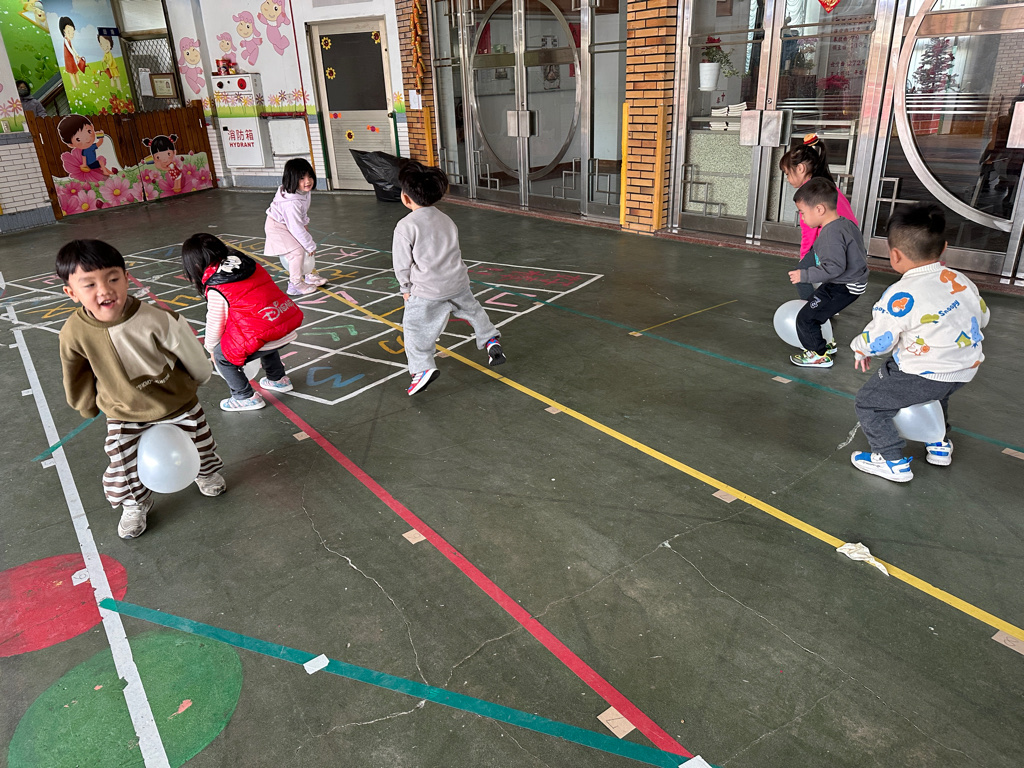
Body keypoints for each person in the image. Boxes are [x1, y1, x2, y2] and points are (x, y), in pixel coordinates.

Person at [57, 240, 226, 540]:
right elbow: (75, 372)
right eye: (90, 284)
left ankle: (205, 471)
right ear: (71, 293)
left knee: (200, 442)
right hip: (123, 409)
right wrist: (86, 405)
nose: (105, 290)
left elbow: (189, 351)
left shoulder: (157, 318)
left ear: (126, 278)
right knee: (122, 462)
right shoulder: (74, 332)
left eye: (113, 278)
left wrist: (201, 376)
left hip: (175, 402)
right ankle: (135, 501)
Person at [849, 204, 989, 483]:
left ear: (895, 255)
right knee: (936, 396)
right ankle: (939, 444)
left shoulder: (900, 294)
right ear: (944, 247)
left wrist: (860, 348)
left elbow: (879, 340)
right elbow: (982, 316)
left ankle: (891, 460)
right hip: (964, 368)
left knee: (869, 404)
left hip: (923, 371)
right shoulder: (959, 280)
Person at [393, 160, 505, 396]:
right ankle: (490, 339)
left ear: (405, 197)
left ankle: (422, 369)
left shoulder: (405, 226)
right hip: (458, 282)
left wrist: (405, 289)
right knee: (473, 310)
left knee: (414, 329)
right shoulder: (447, 219)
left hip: (428, 290)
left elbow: (401, 264)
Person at [182, 233, 304, 412]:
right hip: (284, 320)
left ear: (195, 265)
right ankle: (278, 379)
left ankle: (244, 397)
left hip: (269, 333)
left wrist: (211, 349)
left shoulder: (217, 284)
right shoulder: (248, 263)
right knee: (264, 333)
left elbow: (215, 323)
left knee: (222, 356)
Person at [786, 177, 868, 368]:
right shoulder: (845, 223)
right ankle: (825, 346)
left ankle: (818, 354)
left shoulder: (831, 234)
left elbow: (834, 268)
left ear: (819, 209)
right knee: (816, 309)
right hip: (849, 282)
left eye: (802, 212)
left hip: (843, 286)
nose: (802, 218)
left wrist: (804, 275)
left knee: (806, 318)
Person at [779, 134, 858, 330]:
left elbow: (809, 232)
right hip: (847, 241)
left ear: (800, 168)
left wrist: (804, 256)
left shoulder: (809, 194)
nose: (787, 179)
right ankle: (828, 307)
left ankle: (812, 311)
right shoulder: (826, 186)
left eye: (787, 173)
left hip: (832, 242)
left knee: (801, 276)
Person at [264, 158, 326, 296]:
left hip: (290, 223)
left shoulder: (303, 191)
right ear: (292, 179)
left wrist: (305, 226)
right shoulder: (290, 203)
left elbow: (301, 214)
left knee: (304, 245)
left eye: (310, 176)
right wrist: (309, 244)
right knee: (297, 252)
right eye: (301, 178)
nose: (307, 181)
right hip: (277, 227)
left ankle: (310, 274)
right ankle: (295, 284)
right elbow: (295, 227)